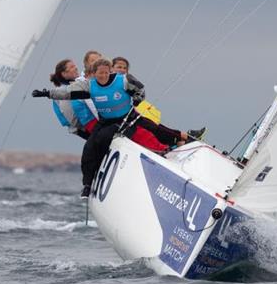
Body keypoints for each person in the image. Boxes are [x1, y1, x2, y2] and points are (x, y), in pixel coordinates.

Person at [33, 58, 204, 198]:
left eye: (106, 72)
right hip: (107, 122)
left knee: (156, 129)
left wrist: (137, 99)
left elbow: (141, 89)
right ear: (94, 74)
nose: (103, 76)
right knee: (91, 147)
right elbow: (67, 93)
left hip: (129, 116)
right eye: (100, 73)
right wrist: (47, 94)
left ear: (110, 71)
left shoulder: (123, 80)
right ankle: (87, 184)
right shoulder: (89, 85)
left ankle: (184, 142)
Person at [49, 59, 98, 140]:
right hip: (83, 128)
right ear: (64, 74)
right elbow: (70, 116)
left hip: (87, 125)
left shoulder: (77, 84)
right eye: (72, 67)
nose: (76, 68)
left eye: (75, 65)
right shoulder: (62, 90)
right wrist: (86, 127)